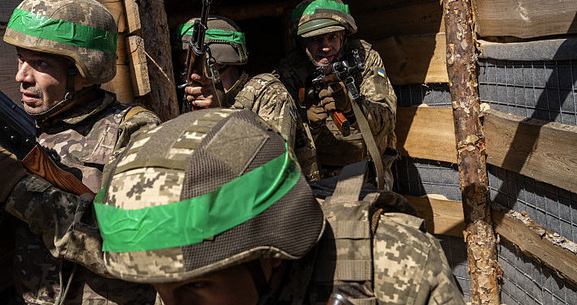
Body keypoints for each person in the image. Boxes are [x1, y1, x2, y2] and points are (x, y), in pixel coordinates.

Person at [94, 108, 464, 305]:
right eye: (158, 290)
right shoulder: (178, 271)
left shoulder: (393, 266)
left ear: (273, 253)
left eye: (200, 285)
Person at [0, 0, 159, 304]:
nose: (21, 76)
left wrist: (19, 189)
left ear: (84, 72)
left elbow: (137, 249)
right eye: (20, 59)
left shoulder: (134, 132)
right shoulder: (28, 132)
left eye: (40, 63)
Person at [274, 0, 397, 187]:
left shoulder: (363, 59)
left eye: (332, 37)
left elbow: (387, 119)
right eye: (315, 40)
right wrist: (307, 122)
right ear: (302, 43)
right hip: (315, 179)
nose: (325, 47)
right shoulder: (291, 70)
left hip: (367, 177)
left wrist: (351, 108)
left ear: (344, 36)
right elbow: (278, 140)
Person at [176, 15, 299, 156]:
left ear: (219, 63)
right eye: (184, 68)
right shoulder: (187, 100)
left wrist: (219, 116)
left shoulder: (268, 93)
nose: (186, 76)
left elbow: (274, 159)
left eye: (192, 67)